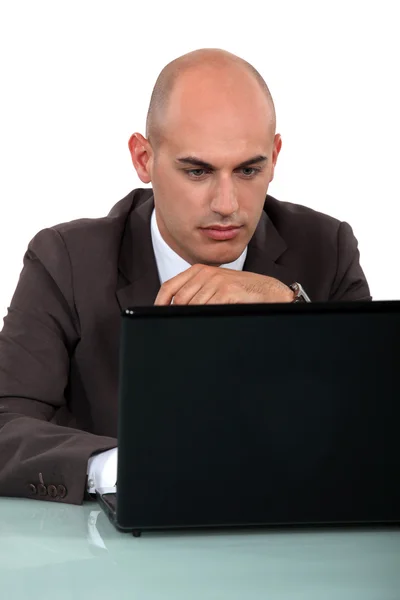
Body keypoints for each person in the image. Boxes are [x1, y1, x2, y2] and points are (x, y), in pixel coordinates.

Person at [0, 48, 371, 505]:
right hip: (120, 558)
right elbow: (5, 423)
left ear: (274, 156)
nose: (227, 204)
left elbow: (372, 423)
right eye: (198, 171)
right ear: (143, 158)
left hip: (287, 541)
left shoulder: (326, 249)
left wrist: (290, 311)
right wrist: (124, 467)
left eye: (249, 170)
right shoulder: (67, 261)